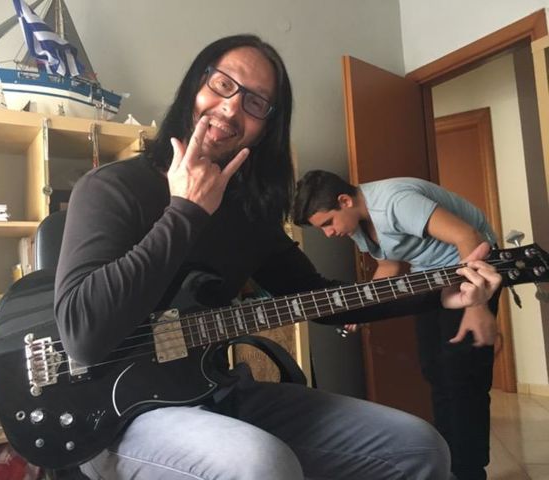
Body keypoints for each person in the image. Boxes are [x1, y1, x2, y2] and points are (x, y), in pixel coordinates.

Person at [55, 34, 501, 480]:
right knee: (262, 465)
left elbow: (320, 299)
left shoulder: (251, 214)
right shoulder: (112, 187)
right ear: (196, 85)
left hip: (211, 391)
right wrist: (185, 211)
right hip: (112, 417)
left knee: (419, 446)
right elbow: (82, 335)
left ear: (267, 127)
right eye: (223, 85)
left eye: (256, 103)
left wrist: (437, 294)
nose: (232, 108)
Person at [292, 170, 500, 480]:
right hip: (431, 282)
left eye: (328, 223)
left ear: (345, 201)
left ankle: (470, 471)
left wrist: (477, 306)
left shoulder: (396, 203)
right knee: (435, 370)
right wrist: (360, 311)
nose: (329, 233)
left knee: (461, 376)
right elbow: (388, 266)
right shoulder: (357, 224)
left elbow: (469, 237)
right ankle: (450, 468)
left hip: (472, 271)